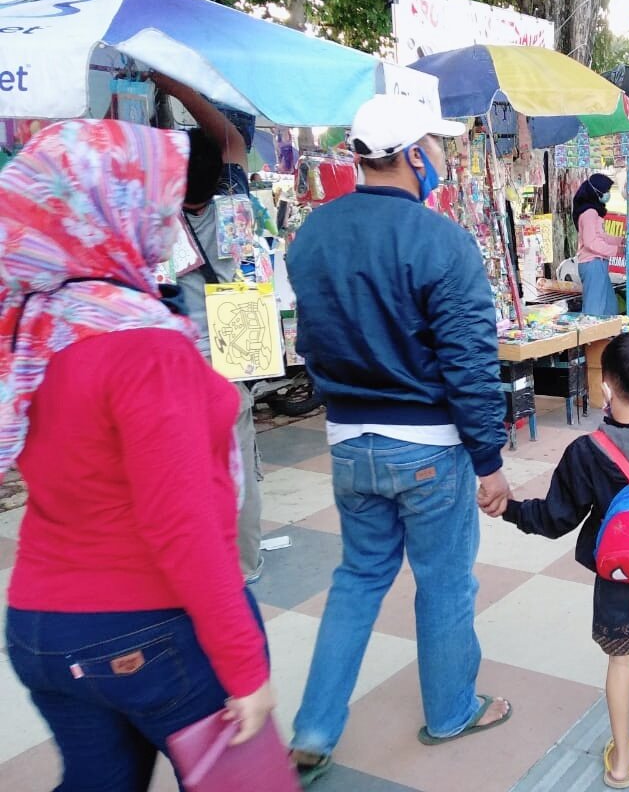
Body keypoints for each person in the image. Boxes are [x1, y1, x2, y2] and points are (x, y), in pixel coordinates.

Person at [2, 120, 275, 788]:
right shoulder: (143, 345)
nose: (163, 216)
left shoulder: (38, 327)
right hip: (147, 626)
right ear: (107, 208)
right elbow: (180, 522)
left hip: (41, 625)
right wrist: (244, 664)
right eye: (151, 196)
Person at [284, 95, 512, 784]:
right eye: (436, 147)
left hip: (350, 444)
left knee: (358, 579)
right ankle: (450, 712)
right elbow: (469, 363)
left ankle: (315, 727)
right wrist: (490, 461)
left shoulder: (311, 238)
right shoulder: (441, 240)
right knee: (444, 582)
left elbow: (311, 344)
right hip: (429, 448)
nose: (442, 157)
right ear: (413, 154)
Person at [500, 333, 629, 788]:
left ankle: (620, 763)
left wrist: (511, 510)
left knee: (622, 660)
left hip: (613, 575)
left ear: (608, 389)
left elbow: (556, 518)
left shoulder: (585, 454)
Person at [153, 72, 265, 583]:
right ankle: (243, 566)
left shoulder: (153, 222)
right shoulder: (235, 210)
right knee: (238, 463)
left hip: (175, 367)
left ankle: (188, 567)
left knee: (180, 472)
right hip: (231, 361)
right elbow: (232, 142)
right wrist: (179, 89)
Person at [575, 174, 624, 316]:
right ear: (596, 192)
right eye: (606, 191)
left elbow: (601, 236)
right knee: (594, 311)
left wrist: (620, 241)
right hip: (592, 264)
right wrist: (616, 250)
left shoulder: (594, 212)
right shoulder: (589, 213)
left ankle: (607, 336)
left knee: (609, 308)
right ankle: (590, 337)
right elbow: (591, 243)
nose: (607, 194)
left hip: (599, 264)